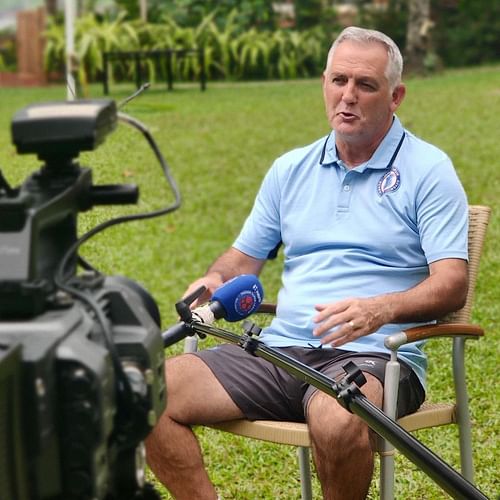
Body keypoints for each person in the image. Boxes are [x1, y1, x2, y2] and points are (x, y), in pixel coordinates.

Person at [146, 26, 469, 499]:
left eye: (366, 85)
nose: (348, 96)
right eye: (339, 80)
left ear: (396, 95)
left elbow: (452, 284)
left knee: (336, 417)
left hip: (378, 358)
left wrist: (379, 309)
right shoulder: (290, 170)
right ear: (323, 83)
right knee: (146, 391)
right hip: (279, 352)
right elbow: (242, 260)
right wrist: (214, 279)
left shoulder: (428, 170)